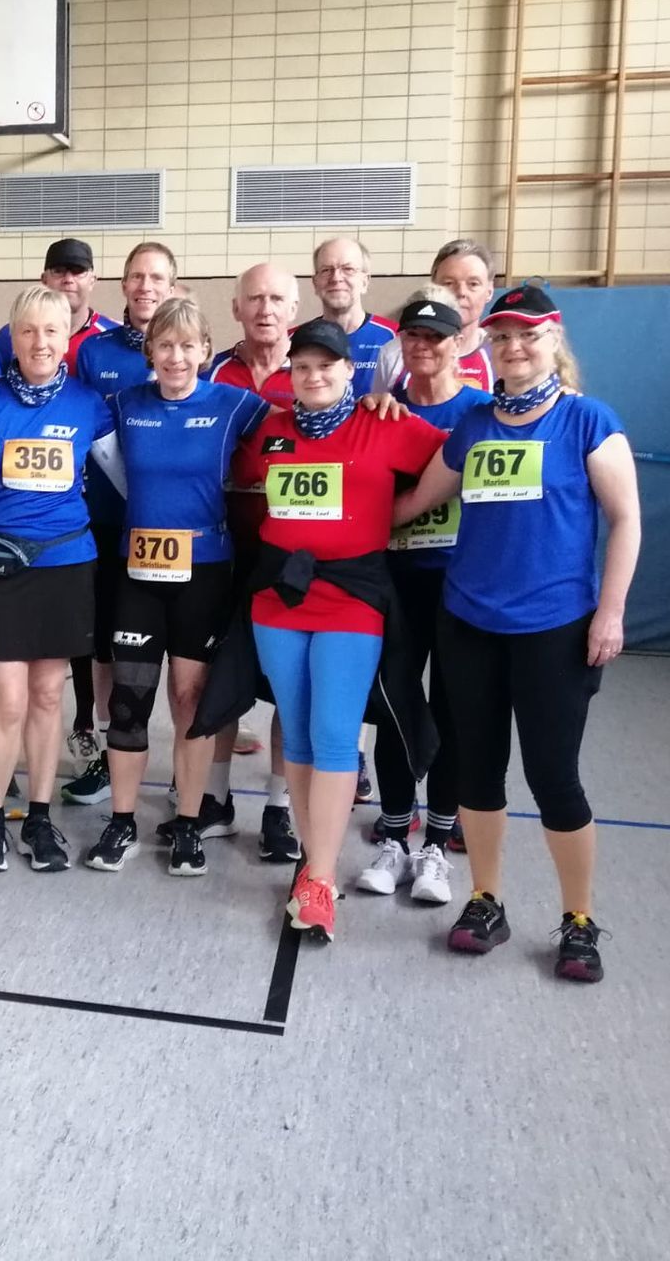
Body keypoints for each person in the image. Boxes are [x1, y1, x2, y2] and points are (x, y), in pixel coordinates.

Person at [390, 284, 641, 982]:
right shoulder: (474, 423)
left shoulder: (588, 420)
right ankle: (486, 901)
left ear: (553, 339)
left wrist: (611, 611)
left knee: (554, 777)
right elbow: (414, 503)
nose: (514, 347)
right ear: (488, 346)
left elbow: (625, 519)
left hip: (555, 629)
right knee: (477, 770)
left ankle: (578, 919)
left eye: (528, 334)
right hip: (468, 623)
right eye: (502, 336)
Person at [239, 317, 450, 943]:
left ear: (349, 369)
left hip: (353, 600)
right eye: (302, 367)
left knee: (335, 733)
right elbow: (240, 479)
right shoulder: (272, 430)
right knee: (299, 734)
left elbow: (459, 452)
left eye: (326, 365)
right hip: (279, 600)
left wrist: (401, 511)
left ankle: (322, 879)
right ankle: (314, 863)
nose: (313, 376)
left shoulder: (385, 423)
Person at [83, 297, 269, 877]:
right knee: (128, 700)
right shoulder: (125, 404)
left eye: (188, 345)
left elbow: (300, 422)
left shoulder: (233, 404)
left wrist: (372, 402)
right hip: (137, 573)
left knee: (191, 700)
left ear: (206, 350)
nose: (176, 357)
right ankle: (122, 821)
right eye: (165, 345)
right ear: (150, 351)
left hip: (205, 573)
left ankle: (189, 821)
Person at [0, 285, 122, 874]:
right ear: (13, 338)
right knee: (8, 700)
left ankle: (41, 819)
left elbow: (126, 479)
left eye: (51, 330)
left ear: (66, 338)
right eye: (28, 331)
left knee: (49, 695)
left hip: (66, 568)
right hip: (0, 570)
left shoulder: (88, 404)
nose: (40, 342)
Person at [353, 287, 492, 902]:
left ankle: (437, 843)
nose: (423, 346)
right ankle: (393, 835)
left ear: (459, 343)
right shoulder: (381, 410)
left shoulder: (483, 410)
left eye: (436, 337)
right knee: (395, 702)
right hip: (396, 577)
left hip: (462, 580)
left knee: (453, 706)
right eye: (413, 335)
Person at [191, 262, 301, 861]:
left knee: (287, 682)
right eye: (254, 298)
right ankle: (215, 799)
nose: (265, 309)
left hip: (290, 550)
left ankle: (279, 809)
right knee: (218, 674)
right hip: (223, 544)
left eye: (277, 299)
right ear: (235, 308)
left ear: (294, 311)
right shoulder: (213, 372)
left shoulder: (312, 371)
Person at [63, 241, 178, 805]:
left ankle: (188, 771)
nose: (145, 286)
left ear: (172, 285)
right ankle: (110, 758)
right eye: (136, 276)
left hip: (173, 527)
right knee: (109, 644)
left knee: (181, 652)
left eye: (156, 277)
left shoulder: (187, 346)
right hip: (107, 521)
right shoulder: (94, 351)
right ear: (123, 284)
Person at [372, 238, 499, 396]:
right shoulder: (394, 353)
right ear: (434, 286)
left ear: (489, 291)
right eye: (449, 283)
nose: (461, 292)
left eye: (473, 284)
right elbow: (380, 406)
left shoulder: (499, 352)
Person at [0, 237, 120, 369]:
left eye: (78, 271)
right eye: (58, 271)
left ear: (92, 281)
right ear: (44, 280)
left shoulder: (115, 337)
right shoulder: (10, 336)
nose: (68, 279)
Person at [309, 237, 397, 398]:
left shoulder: (396, 338)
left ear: (365, 282)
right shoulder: (293, 342)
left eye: (348, 269)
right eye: (326, 270)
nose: (336, 278)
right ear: (315, 283)